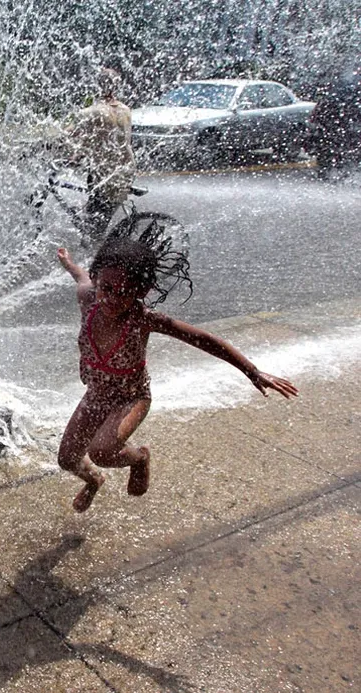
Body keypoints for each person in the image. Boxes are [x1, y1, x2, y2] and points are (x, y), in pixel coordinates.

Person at [55, 227, 298, 513]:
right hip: (97, 395)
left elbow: (204, 339)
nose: (112, 299)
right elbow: (81, 276)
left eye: (124, 292)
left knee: (102, 451)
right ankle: (94, 481)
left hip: (131, 397)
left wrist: (253, 371)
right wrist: (69, 263)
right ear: (97, 280)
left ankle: (140, 458)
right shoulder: (89, 299)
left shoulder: (143, 320)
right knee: (67, 459)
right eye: (106, 288)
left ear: (141, 291)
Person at [67, 67, 136, 241]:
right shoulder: (125, 109)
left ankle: (97, 253)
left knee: (93, 229)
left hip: (105, 175)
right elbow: (104, 138)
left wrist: (41, 146)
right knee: (95, 217)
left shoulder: (91, 112)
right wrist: (78, 155)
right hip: (125, 170)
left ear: (96, 86)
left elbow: (68, 136)